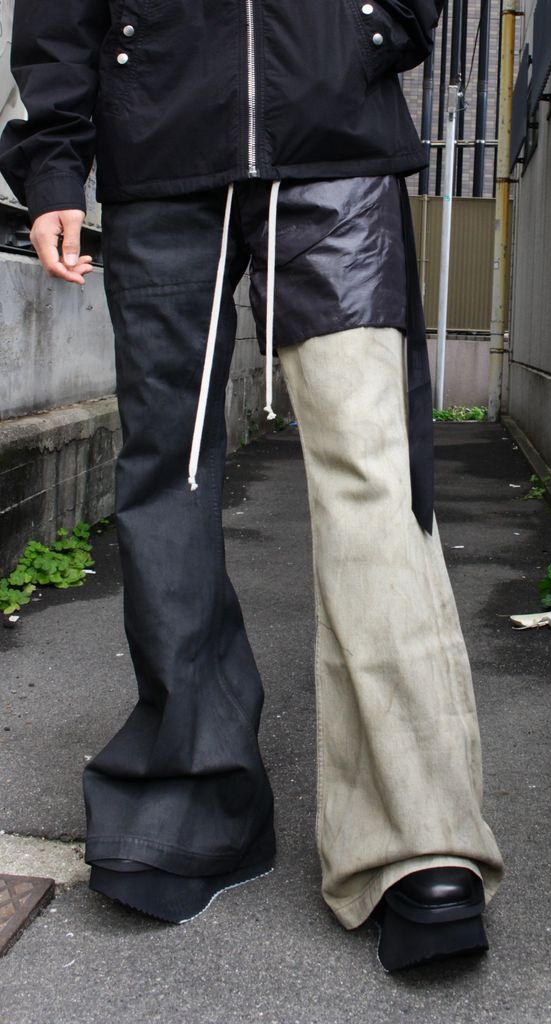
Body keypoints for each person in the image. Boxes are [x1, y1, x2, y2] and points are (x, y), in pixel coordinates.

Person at [0, 0, 503, 971]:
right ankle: (192, 791)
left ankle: (418, 835)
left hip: (333, 137)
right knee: (169, 472)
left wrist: (370, 27)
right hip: (162, 134)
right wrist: (54, 162)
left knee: (370, 465)